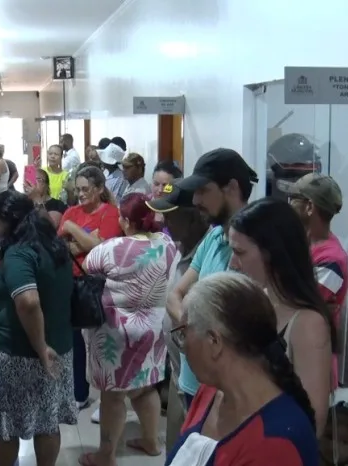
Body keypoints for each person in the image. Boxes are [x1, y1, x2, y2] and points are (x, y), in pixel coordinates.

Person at [166, 272, 320, 466]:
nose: (183, 344)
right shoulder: (209, 393)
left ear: (214, 341)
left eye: (184, 333)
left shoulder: (276, 444)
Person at [79, 193, 177, 466]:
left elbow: (88, 269)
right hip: (152, 331)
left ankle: (106, 456)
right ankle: (151, 442)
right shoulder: (167, 245)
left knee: (113, 395)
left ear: (124, 220)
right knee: (146, 388)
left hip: (115, 332)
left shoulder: (110, 248)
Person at [0, 190, 77, 466]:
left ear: (12, 222)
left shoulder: (19, 253)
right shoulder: (55, 246)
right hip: (59, 348)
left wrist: (40, 347)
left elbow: (28, 301)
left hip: (20, 353)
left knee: (7, 424)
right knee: (47, 421)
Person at [228, 198, 337, 435]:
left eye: (240, 252)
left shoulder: (308, 324)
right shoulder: (259, 301)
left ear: (271, 253)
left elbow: (312, 421)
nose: (233, 263)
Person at [167, 148, 257, 408]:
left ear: (230, 187)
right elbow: (175, 294)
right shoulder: (214, 236)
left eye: (203, 191)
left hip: (224, 390)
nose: (195, 201)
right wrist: (194, 329)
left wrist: (193, 330)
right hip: (192, 382)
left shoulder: (255, 247)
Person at [145, 182, 210, 446]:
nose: (163, 221)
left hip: (198, 380)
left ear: (194, 217)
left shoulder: (209, 253)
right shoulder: (180, 247)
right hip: (178, 372)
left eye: (171, 215)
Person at [58, 165, 123, 410]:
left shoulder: (111, 213)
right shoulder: (71, 211)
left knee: (101, 340)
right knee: (75, 342)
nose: (81, 194)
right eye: (77, 190)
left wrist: (73, 231)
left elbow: (101, 248)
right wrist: (85, 243)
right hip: (72, 283)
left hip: (99, 285)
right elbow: (60, 246)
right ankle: (79, 393)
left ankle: (109, 396)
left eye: (85, 189)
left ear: (98, 189)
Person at [282, 173, 348, 328]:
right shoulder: (299, 245)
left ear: (310, 207)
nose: (289, 204)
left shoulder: (333, 260)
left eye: (293, 199)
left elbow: (298, 305)